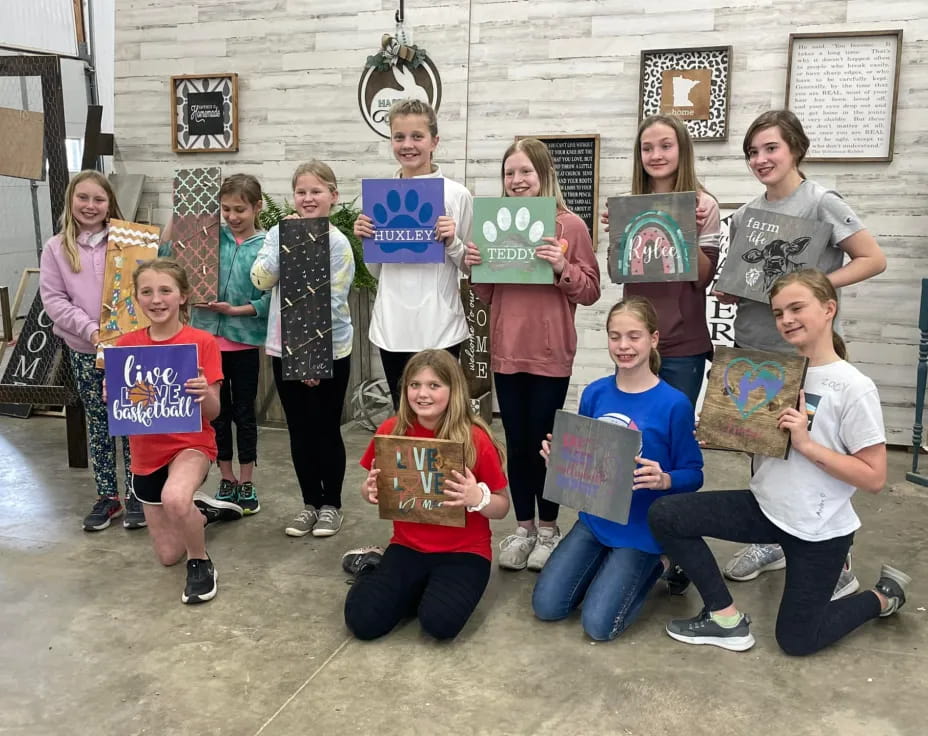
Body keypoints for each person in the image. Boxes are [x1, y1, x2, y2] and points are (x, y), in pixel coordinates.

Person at [648, 269, 908, 654]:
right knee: (666, 514)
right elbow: (770, 446)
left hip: (818, 529)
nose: (786, 319)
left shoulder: (854, 387)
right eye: (778, 312)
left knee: (798, 640)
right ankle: (724, 617)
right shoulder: (782, 374)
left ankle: (883, 596)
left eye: (797, 308)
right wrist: (729, 433)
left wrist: (806, 444)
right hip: (766, 508)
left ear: (828, 309)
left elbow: (873, 477)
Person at [715, 110, 887, 587]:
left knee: (819, 450)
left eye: (770, 148)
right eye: (752, 152)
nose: (761, 159)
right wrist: (731, 289)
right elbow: (751, 278)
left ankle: (836, 555)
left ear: (795, 148)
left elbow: (873, 258)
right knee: (765, 449)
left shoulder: (821, 202)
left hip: (808, 356)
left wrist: (812, 289)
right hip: (754, 347)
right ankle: (772, 541)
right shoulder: (748, 214)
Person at [464, 138, 600, 572]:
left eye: (525, 172)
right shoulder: (493, 226)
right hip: (507, 351)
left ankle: (549, 528)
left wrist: (563, 269)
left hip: (550, 352)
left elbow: (592, 290)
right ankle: (522, 528)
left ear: (543, 175)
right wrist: (474, 266)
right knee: (518, 444)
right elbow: (485, 294)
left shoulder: (569, 227)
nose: (517, 180)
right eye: (509, 173)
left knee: (547, 444)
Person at [532, 297, 703, 640]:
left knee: (598, 627)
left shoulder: (674, 404)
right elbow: (585, 460)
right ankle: (607, 564)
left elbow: (694, 473)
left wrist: (665, 478)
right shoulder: (595, 393)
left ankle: (665, 563)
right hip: (596, 520)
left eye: (633, 336)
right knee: (547, 607)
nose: (623, 346)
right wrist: (561, 461)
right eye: (615, 336)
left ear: (653, 339)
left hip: (642, 529)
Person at [344, 349, 509, 640]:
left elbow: (502, 506)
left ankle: (421, 589)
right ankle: (371, 565)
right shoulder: (391, 430)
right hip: (407, 547)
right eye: (414, 385)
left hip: (465, 552)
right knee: (363, 622)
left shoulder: (474, 438)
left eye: (435, 385)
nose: (423, 394)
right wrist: (369, 490)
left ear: (453, 390)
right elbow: (368, 485)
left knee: (439, 624)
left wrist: (477, 498)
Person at [117, 258, 243, 604]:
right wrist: (110, 396)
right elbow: (122, 405)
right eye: (147, 292)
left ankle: (201, 562)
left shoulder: (201, 343)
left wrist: (205, 394)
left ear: (183, 296)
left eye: (165, 291)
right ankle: (201, 513)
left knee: (175, 499)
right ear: (137, 298)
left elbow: (215, 412)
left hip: (191, 445)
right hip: (145, 454)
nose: (156, 299)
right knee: (168, 554)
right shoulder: (126, 345)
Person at [251, 161, 355, 538]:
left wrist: (312, 354)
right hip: (283, 349)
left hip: (328, 350)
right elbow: (260, 279)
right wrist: (288, 244)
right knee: (299, 431)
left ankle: (332, 505)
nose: (308, 198)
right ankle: (309, 502)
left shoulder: (339, 244)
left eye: (316, 191)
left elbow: (334, 300)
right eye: (301, 192)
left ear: (333, 196)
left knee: (326, 428)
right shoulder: (279, 234)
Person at [160, 174, 269, 514]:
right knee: (216, 416)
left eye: (240, 209)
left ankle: (247, 479)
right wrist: (180, 216)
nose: (232, 217)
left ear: (257, 207)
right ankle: (226, 477)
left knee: (244, 413)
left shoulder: (267, 245)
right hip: (207, 343)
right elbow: (167, 255)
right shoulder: (207, 238)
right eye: (225, 209)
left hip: (245, 342)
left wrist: (237, 310)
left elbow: (271, 296)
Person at [39, 170, 141, 531]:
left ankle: (137, 495)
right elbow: (54, 301)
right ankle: (107, 498)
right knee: (99, 423)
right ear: (71, 200)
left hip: (129, 350)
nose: (90, 205)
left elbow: (145, 285)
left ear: (109, 203)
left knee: (133, 422)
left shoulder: (128, 243)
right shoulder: (56, 248)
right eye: (83, 198)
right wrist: (92, 331)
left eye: (98, 199)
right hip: (85, 350)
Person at [353, 98, 471, 409]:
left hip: (440, 326)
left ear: (435, 141)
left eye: (417, 136)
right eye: (399, 137)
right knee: (403, 417)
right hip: (393, 325)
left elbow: (472, 267)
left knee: (443, 420)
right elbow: (378, 272)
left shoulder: (457, 195)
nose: (408, 145)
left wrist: (453, 242)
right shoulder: (378, 197)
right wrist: (368, 240)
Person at [622, 114, 720, 407]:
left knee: (675, 430)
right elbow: (623, 272)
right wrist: (619, 234)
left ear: (682, 150)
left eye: (666, 146)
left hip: (684, 345)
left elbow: (703, 278)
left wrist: (687, 229)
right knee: (635, 429)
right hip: (635, 339)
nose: (656, 155)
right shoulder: (628, 204)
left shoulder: (704, 204)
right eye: (647, 148)